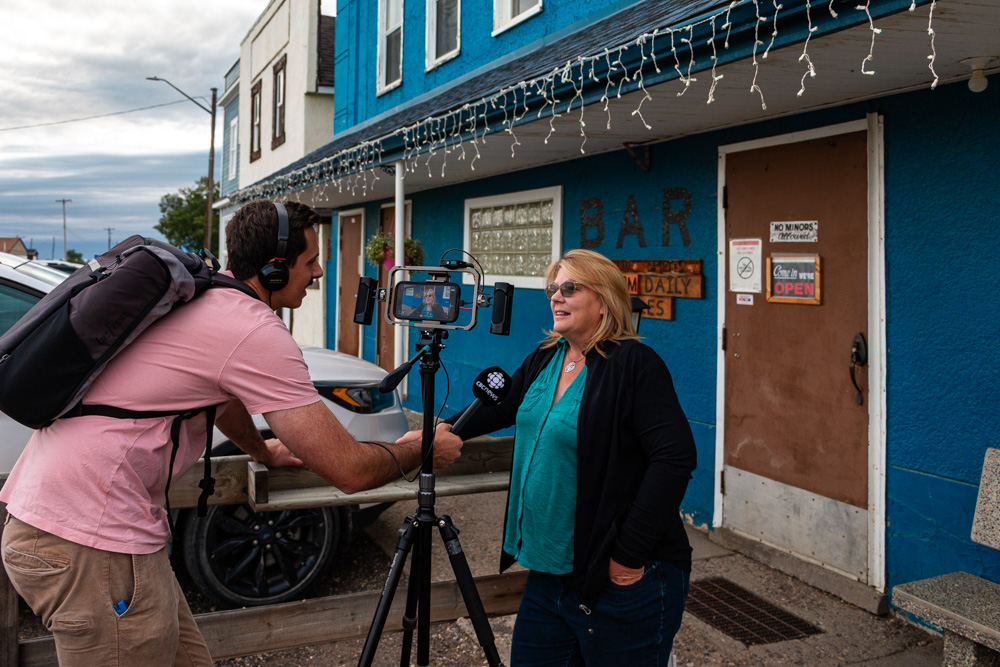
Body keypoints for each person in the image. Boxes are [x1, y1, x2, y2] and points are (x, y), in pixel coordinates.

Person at [0, 199, 464, 666]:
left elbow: (221, 399)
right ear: (275, 269)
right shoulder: (250, 329)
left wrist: (262, 450)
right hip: (92, 543)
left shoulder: (208, 300)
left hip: (75, 527)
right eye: (310, 261)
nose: (318, 272)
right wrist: (422, 450)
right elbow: (349, 471)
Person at [414, 249, 697, 664]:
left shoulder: (635, 364)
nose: (556, 297)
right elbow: (500, 405)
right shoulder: (548, 355)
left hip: (619, 577)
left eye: (570, 287)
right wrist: (441, 430)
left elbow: (674, 459)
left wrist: (626, 558)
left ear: (604, 301)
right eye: (553, 289)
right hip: (550, 573)